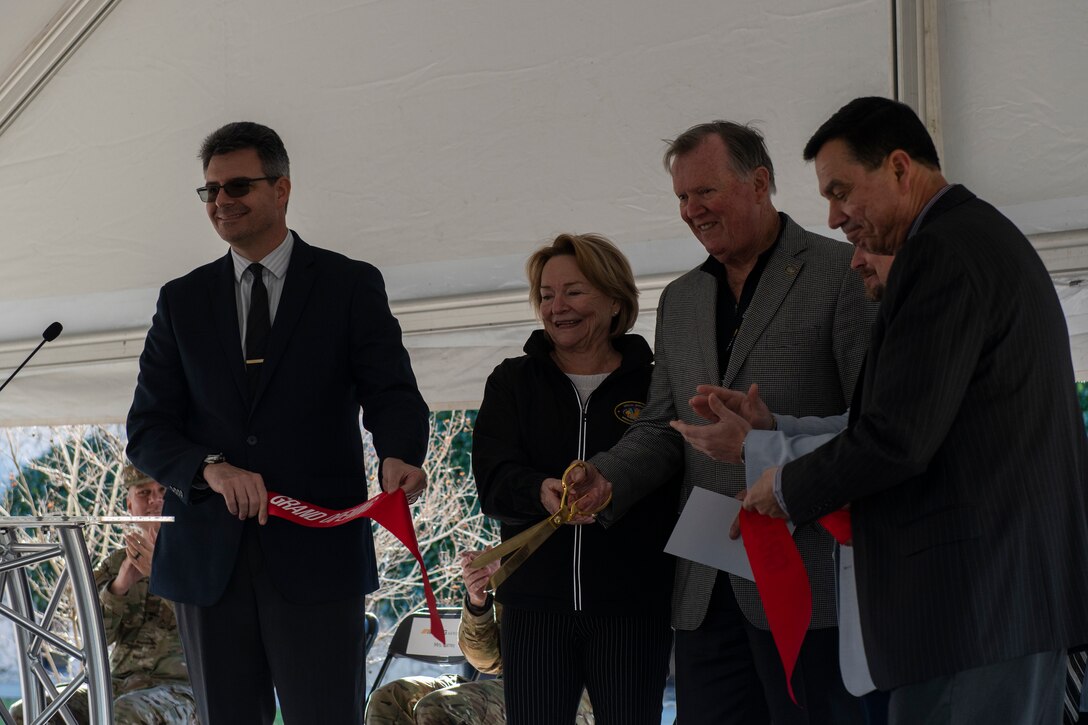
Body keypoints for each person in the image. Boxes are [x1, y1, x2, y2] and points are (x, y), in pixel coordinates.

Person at [740, 96, 1088, 724]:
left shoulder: (941, 252)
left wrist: (786, 488)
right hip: (1006, 600)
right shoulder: (982, 238)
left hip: (970, 607)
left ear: (900, 167)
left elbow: (897, 436)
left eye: (842, 190)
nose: (834, 215)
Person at [567, 121, 876, 725]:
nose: (691, 211)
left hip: (810, 582)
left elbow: (873, 424)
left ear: (759, 183)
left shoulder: (841, 271)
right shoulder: (680, 298)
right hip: (706, 588)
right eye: (682, 198)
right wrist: (608, 478)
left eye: (704, 192)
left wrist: (766, 441)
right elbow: (661, 426)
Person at [126, 121, 430, 725]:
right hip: (208, 562)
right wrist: (210, 469)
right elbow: (147, 427)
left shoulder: (349, 285)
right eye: (209, 191)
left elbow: (393, 391)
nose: (221, 202)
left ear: (283, 188)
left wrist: (400, 452)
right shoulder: (180, 300)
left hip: (318, 556)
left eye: (237, 185)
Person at [471, 233, 677, 725]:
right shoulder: (512, 381)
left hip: (632, 607)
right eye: (546, 294)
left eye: (574, 291)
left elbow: (673, 474)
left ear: (614, 299)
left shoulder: (656, 384)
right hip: (534, 609)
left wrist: (615, 494)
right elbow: (492, 480)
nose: (557, 306)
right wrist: (539, 492)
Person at [12, 464, 198, 725]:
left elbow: (209, 629)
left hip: (182, 691)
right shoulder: (116, 564)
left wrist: (159, 576)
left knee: (125, 713)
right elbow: (91, 640)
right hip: (117, 685)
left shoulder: (200, 562)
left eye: (163, 492)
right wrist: (119, 586)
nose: (155, 500)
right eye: (143, 493)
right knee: (31, 708)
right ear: (130, 505)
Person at [364, 550, 594, 725]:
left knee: (442, 705)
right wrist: (478, 600)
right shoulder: (517, 548)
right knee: (389, 698)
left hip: (571, 690)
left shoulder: (581, 551)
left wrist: (513, 574)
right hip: (509, 681)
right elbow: (485, 660)